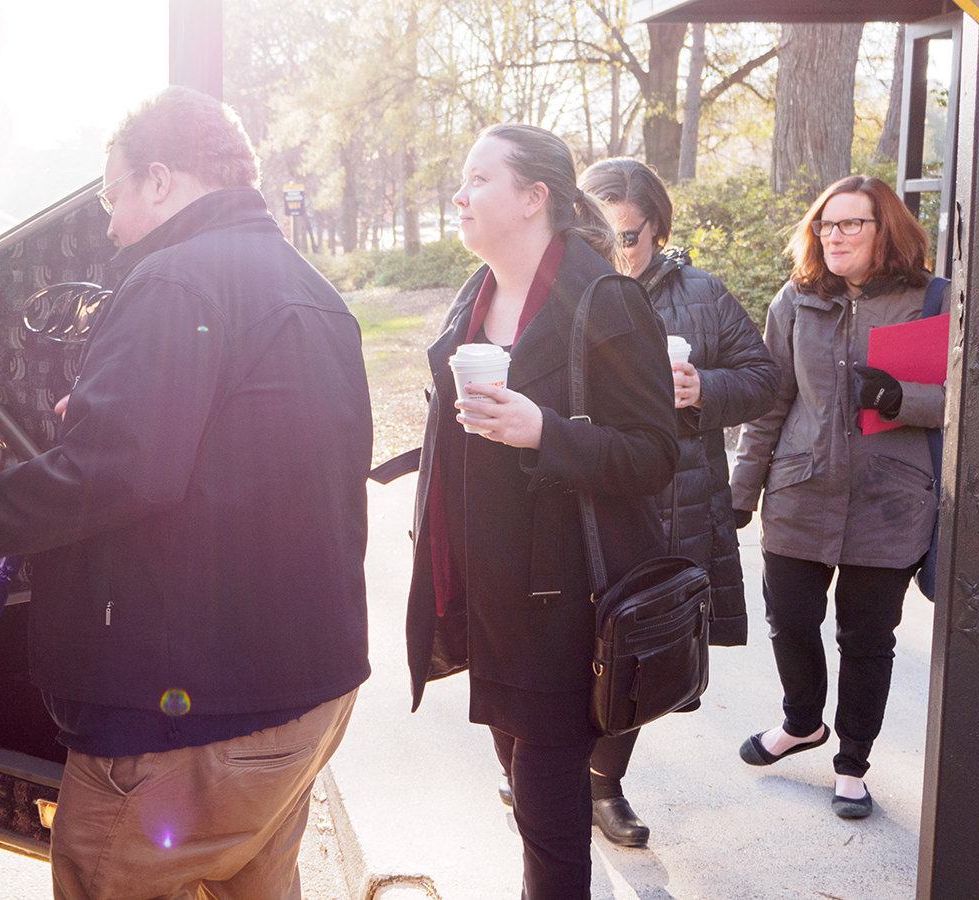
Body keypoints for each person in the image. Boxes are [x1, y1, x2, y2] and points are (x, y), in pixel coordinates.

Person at [0, 86, 372, 900]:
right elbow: (253, 453)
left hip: (194, 720)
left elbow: (123, 471)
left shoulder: (172, 280)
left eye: (112, 195)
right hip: (304, 698)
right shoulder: (313, 290)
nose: (109, 225)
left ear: (159, 181)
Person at [405, 124, 676, 899]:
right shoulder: (474, 296)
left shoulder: (606, 300)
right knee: (529, 803)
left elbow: (655, 453)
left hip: (563, 611)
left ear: (533, 198)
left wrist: (545, 433)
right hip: (485, 603)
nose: (460, 195)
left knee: (552, 839)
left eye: (479, 179)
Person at [570, 158, 779, 847]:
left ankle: (603, 788)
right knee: (566, 648)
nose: (616, 251)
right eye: (602, 235)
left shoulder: (703, 293)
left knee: (639, 652)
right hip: (581, 503)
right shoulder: (566, 289)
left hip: (673, 504)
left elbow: (764, 380)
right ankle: (545, 765)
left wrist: (704, 390)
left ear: (656, 228)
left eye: (627, 236)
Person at [730, 174, 947, 820]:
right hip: (800, 492)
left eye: (853, 223)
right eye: (827, 224)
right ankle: (802, 722)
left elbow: (965, 400)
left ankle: (852, 761)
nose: (836, 235)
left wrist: (902, 400)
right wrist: (743, 489)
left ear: (887, 231)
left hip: (890, 502)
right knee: (789, 617)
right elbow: (769, 403)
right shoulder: (796, 300)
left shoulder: (935, 301)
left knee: (867, 637)